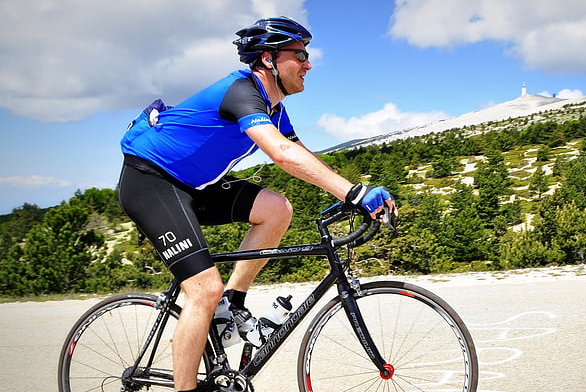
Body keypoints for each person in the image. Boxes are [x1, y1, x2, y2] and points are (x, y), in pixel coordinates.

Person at [117, 16, 397, 392]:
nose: (308, 64)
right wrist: (355, 193)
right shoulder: (241, 92)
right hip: (150, 181)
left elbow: (301, 154)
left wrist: (350, 193)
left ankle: (231, 304)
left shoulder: (275, 109)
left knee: (277, 209)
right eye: (300, 54)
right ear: (269, 60)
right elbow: (280, 153)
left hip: (194, 185)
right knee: (202, 290)